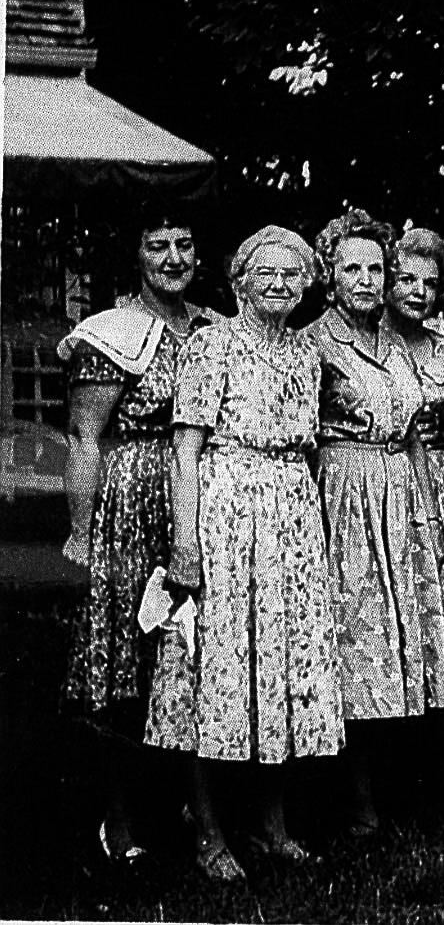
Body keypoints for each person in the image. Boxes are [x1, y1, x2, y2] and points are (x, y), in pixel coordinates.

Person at [145, 226, 344, 880]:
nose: (279, 284)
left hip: (292, 514)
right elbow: (185, 450)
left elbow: (311, 443)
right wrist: (186, 543)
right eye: (266, 273)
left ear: (307, 284)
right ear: (239, 281)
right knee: (217, 667)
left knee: (281, 662)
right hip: (228, 511)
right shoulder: (212, 344)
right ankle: (208, 831)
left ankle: (270, 825)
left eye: (292, 274)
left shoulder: (307, 353)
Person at [58, 209, 219, 864]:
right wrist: (80, 531)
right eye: (158, 246)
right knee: (128, 654)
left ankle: (197, 806)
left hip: (203, 497)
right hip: (132, 500)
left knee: (195, 652)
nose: (173, 258)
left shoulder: (214, 328)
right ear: (137, 255)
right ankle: (120, 817)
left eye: (185, 244)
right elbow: (84, 438)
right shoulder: (112, 332)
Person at [306, 210, 444, 836]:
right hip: (344, 490)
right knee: (356, 639)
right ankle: (353, 802)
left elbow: (414, 430)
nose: (365, 280)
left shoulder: (396, 342)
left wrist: (426, 508)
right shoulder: (314, 341)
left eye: (375, 268)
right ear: (329, 275)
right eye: (351, 268)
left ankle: (399, 791)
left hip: (400, 492)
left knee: (402, 639)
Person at [383, 226, 444, 670]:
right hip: (392, 477)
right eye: (407, 280)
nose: (418, 292)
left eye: (429, 282)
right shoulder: (370, 346)